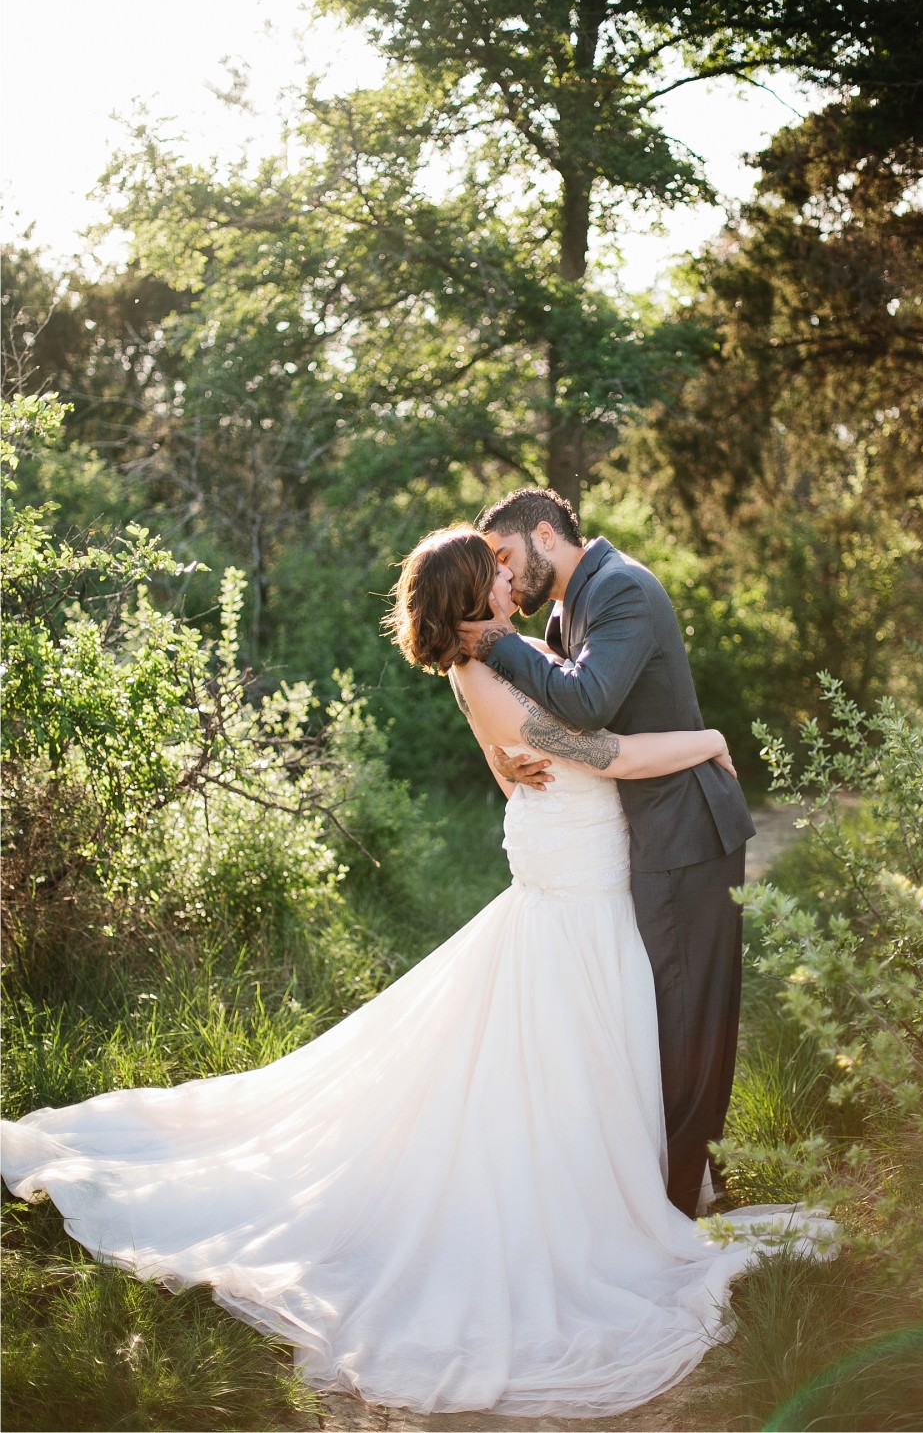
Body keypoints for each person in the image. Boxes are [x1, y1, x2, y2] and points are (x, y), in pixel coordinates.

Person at [0, 526, 830, 1420]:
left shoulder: (493, 667)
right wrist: (708, 737)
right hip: (574, 890)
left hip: (577, 871)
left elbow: (520, 774)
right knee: (563, 1044)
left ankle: (608, 1184)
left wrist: (526, 766)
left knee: (564, 1053)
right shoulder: (487, 675)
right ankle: (580, 1207)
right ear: (474, 594)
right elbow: (612, 757)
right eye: (496, 574)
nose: (511, 581)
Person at [458, 488, 755, 1218]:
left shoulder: (621, 587)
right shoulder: (563, 614)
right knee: (656, 1015)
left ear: (545, 534)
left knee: (687, 1016)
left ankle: (682, 1199)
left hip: (685, 830)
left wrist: (495, 642)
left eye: (506, 556)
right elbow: (550, 720)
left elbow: (586, 702)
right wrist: (505, 754)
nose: (505, 573)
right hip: (631, 837)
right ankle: (673, 1182)